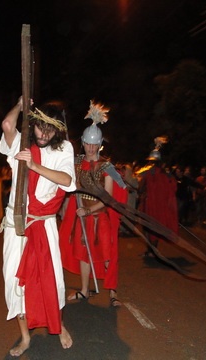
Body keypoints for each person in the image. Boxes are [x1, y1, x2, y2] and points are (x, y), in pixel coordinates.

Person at [0, 98, 76, 356]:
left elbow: (67, 180)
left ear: (58, 130)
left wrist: (33, 165)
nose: (44, 134)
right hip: (16, 224)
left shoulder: (63, 148)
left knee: (51, 280)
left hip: (44, 224)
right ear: (33, 126)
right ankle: (24, 337)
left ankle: (58, 325)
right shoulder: (22, 144)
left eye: (50, 129)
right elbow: (7, 123)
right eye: (40, 127)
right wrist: (20, 104)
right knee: (15, 282)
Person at [59, 100, 126, 306]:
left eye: (93, 144)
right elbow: (68, 184)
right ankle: (85, 290)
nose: (90, 147)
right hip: (81, 214)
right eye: (87, 143)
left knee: (107, 254)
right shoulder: (77, 163)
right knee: (83, 254)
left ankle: (113, 293)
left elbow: (108, 198)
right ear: (83, 142)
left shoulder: (106, 167)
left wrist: (88, 211)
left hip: (99, 216)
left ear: (99, 145)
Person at [137, 137, 178, 257]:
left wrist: (141, 192)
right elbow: (173, 187)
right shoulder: (167, 174)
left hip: (150, 205)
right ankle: (152, 249)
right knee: (154, 228)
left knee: (148, 228)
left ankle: (151, 250)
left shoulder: (147, 173)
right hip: (161, 206)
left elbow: (141, 187)